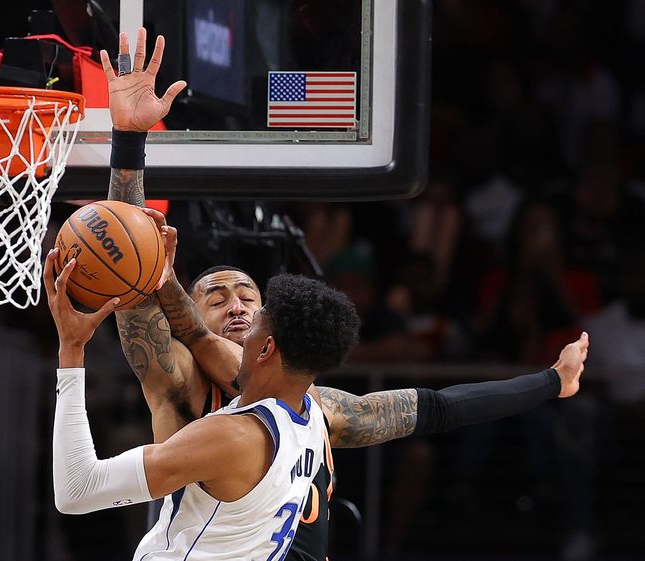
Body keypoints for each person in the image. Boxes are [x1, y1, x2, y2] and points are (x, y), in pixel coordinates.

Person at [102, 27, 591, 561]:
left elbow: (439, 408)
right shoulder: (183, 387)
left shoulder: (321, 411)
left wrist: (550, 382)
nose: (236, 304)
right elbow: (129, 282)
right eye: (216, 298)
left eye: (246, 295)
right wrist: (128, 142)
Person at [45, 246, 359, 559]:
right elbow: (202, 339)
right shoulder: (313, 415)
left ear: (265, 350)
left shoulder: (230, 437)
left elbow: (77, 490)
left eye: (253, 324)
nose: (240, 319)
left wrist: (71, 349)